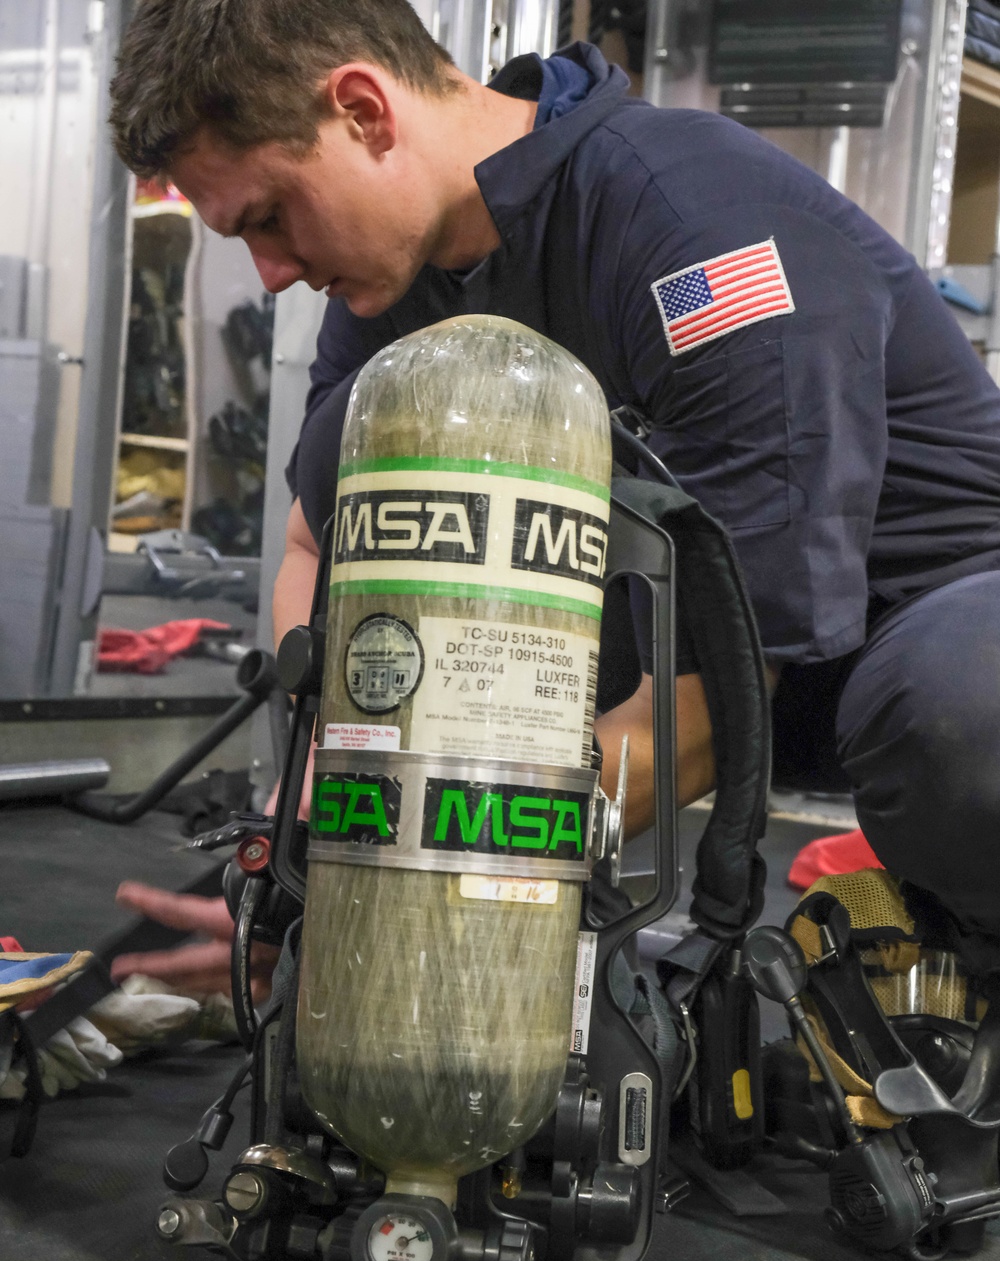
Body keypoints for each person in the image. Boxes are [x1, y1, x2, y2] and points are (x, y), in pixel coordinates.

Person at [108, 0, 1000, 990]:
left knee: (962, 723)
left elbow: (725, 686)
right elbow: (321, 551)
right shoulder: (396, 285)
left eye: (270, 217)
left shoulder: (697, 225)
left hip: (910, 624)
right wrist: (321, 823)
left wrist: (414, 887)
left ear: (362, 109)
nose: (269, 273)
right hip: (688, 629)